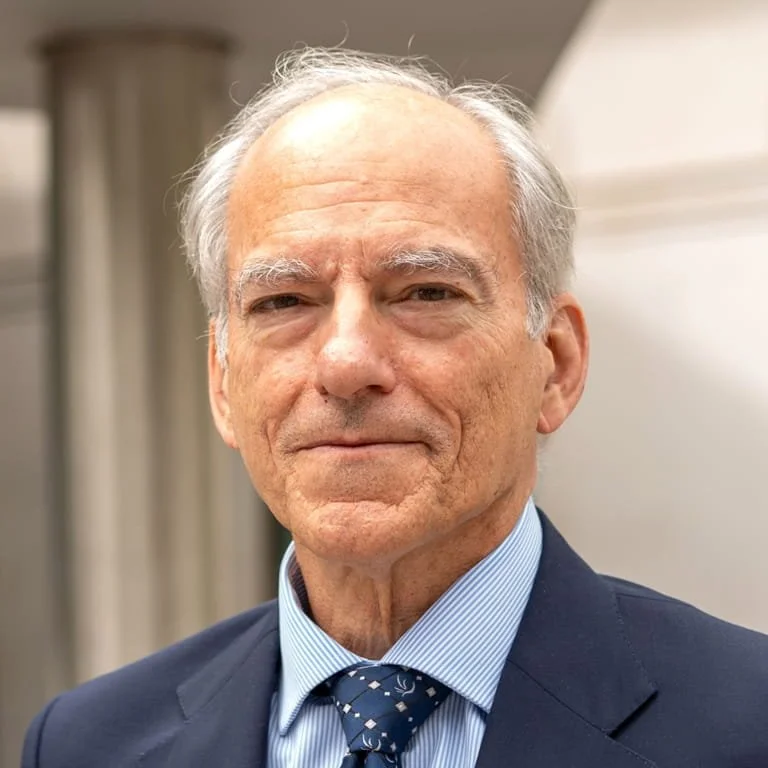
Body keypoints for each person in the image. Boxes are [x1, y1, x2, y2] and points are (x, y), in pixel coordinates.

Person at [22, 47, 768, 768]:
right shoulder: (89, 746)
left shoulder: (747, 723)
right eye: (284, 301)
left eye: (425, 292)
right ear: (223, 381)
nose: (346, 364)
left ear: (556, 364)